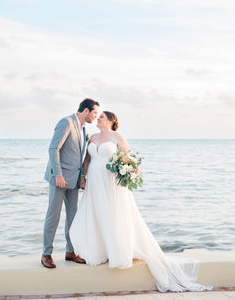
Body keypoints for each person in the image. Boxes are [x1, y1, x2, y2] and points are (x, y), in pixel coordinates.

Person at [70, 111, 213, 292]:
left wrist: (128, 170)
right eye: (97, 117)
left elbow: (128, 161)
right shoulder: (93, 137)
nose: (97, 119)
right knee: (96, 213)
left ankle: (117, 252)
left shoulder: (117, 137)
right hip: (94, 183)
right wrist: (83, 177)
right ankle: (99, 250)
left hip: (112, 183)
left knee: (113, 215)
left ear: (111, 121)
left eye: (101, 117)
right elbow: (87, 160)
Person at [41, 98, 99, 269]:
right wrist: (58, 174)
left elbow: (78, 157)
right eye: (95, 112)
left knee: (73, 217)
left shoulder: (83, 128)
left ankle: (70, 251)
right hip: (59, 180)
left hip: (73, 181)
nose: (95, 116)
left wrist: (82, 176)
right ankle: (46, 254)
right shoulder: (66, 122)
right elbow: (53, 149)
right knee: (54, 216)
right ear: (86, 111)